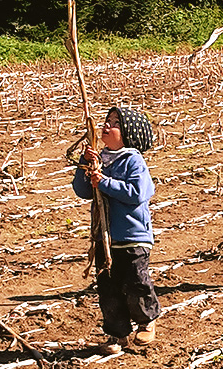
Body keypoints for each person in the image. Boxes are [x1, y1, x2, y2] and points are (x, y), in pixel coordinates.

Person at [73, 106, 160, 353]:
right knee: (108, 289)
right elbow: (82, 190)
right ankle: (117, 335)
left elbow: (137, 193)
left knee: (136, 283)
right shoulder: (98, 160)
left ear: (128, 135)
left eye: (115, 123)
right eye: (107, 120)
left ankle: (146, 321)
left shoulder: (133, 160)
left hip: (132, 237)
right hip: (105, 238)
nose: (107, 125)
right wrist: (85, 163)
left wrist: (105, 182)